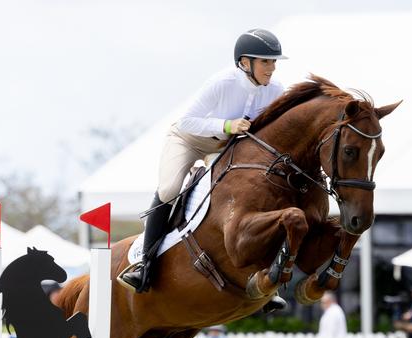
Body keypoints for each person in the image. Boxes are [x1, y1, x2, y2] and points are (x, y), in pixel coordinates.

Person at [122, 29, 288, 313]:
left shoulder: (277, 91)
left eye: (274, 62)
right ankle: (144, 265)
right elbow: (187, 121)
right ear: (244, 63)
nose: (271, 68)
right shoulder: (222, 83)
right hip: (189, 140)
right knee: (170, 189)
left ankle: (264, 280)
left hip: (226, 148)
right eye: (265, 62)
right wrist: (227, 125)